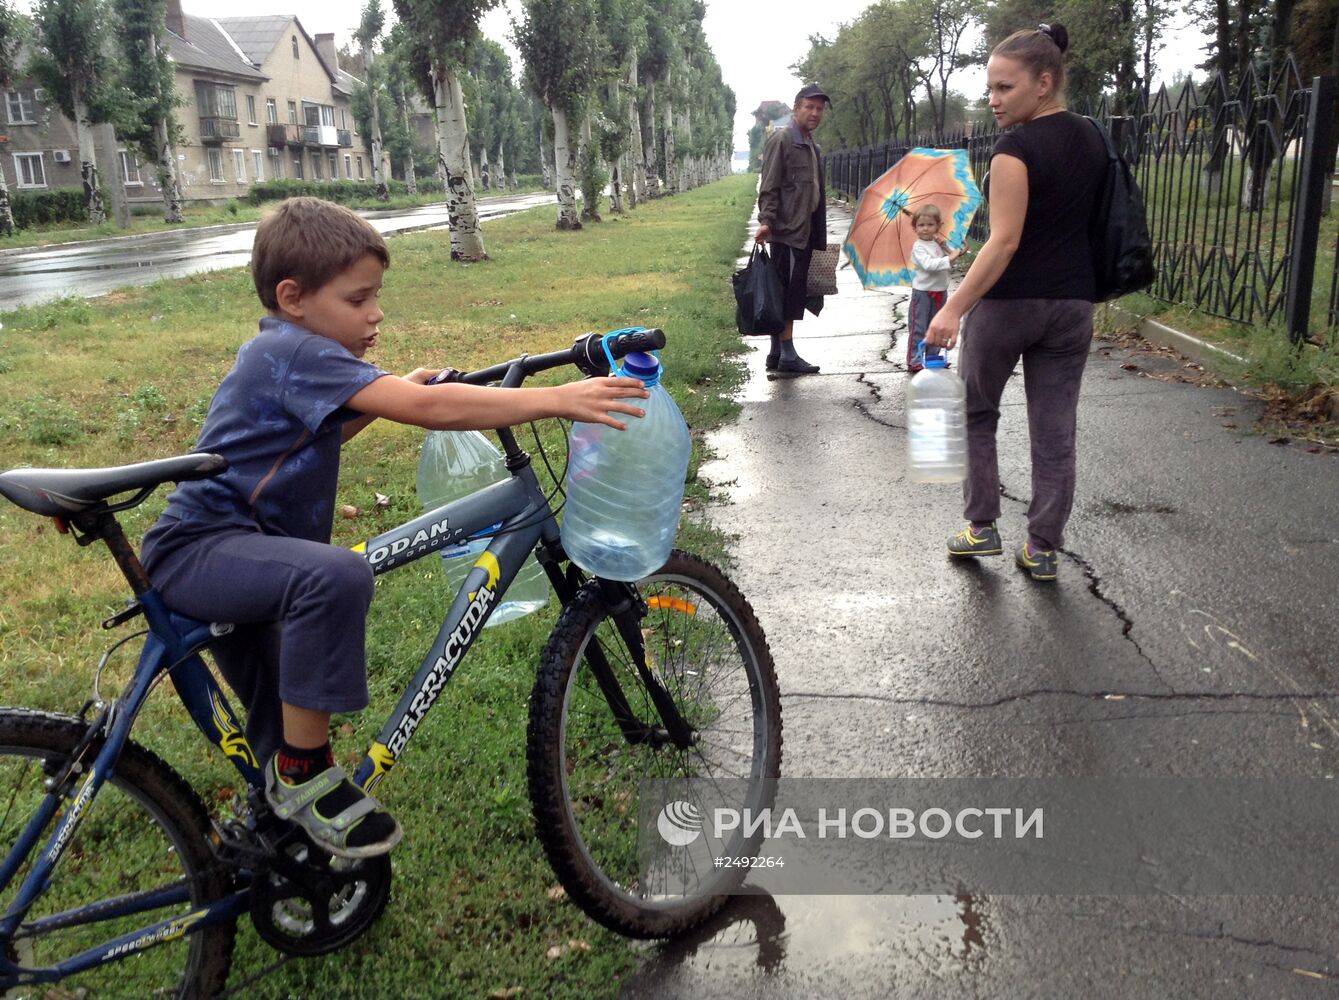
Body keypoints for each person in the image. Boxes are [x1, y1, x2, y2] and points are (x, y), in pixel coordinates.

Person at [140, 197, 648, 858]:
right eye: (358, 301)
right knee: (336, 575)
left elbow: (310, 432)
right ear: (293, 297)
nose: (375, 313)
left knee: (276, 728)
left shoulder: (291, 352)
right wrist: (556, 398)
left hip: (244, 559)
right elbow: (429, 407)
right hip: (204, 552)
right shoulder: (294, 350)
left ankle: (282, 846)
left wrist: (381, 390)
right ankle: (303, 777)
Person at [923, 24, 1107, 583]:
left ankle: (981, 528)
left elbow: (1004, 241)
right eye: (991, 89)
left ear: (1044, 83)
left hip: (1008, 306)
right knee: (1056, 431)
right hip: (1073, 305)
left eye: (1005, 88)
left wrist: (952, 308)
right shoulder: (1096, 138)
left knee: (975, 412)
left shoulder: (1014, 149)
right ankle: (1043, 547)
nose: (994, 101)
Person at [755, 83, 831, 376]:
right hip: (787, 232)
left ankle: (776, 352)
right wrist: (766, 221)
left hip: (806, 231)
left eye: (819, 109)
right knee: (787, 293)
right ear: (796, 108)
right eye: (809, 107)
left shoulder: (813, 146)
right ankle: (787, 354)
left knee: (791, 290)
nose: (814, 113)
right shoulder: (782, 140)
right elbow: (770, 186)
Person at [907, 204, 964, 372]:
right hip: (923, 293)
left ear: (938, 226)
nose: (925, 229)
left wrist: (947, 248)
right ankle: (914, 360)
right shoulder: (918, 247)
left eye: (930, 225)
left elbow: (950, 260)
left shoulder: (938, 244)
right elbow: (929, 265)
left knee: (937, 327)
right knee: (919, 328)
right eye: (921, 225)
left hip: (940, 292)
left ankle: (933, 357)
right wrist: (951, 258)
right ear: (915, 228)